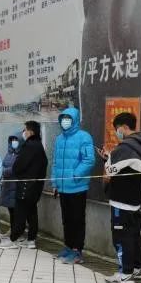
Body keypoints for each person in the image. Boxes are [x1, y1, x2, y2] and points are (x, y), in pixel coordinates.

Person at [99, 112, 141, 283]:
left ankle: (125, 272)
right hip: (134, 199)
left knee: (121, 236)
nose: (116, 132)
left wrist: (107, 159)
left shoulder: (125, 148)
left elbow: (110, 172)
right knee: (134, 234)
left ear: (124, 127)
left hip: (122, 200)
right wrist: (109, 157)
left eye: (117, 129)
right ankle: (135, 269)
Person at [52, 107, 95, 264]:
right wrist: (55, 182)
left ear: (75, 120)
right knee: (67, 219)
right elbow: (55, 163)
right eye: (63, 118)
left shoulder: (84, 137)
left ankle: (77, 251)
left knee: (77, 219)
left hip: (77, 187)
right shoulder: (59, 139)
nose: (65, 121)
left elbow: (89, 160)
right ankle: (68, 246)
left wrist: (76, 174)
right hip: (63, 187)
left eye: (68, 118)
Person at [0, 121, 48, 249]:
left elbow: (19, 165)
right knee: (32, 212)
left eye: (25, 130)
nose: (24, 132)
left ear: (30, 132)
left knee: (20, 213)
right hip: (36, 186)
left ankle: (13, 239)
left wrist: (18, 170)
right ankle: (31, 239)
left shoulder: (29, 146)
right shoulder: (38, 145)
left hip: (26, 185)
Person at [0, 134, 22, 236]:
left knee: (17, 210)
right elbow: (3, 165)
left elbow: (16, 168)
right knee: (11, 209)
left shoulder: (21, 154)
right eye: (12, 140)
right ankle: (12, 229)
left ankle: (17, 231)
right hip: (7, 185)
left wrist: (4, 171)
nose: (14, 142)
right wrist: (3, 171)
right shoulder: (8, 153)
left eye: (16, 140)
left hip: (16, 185)